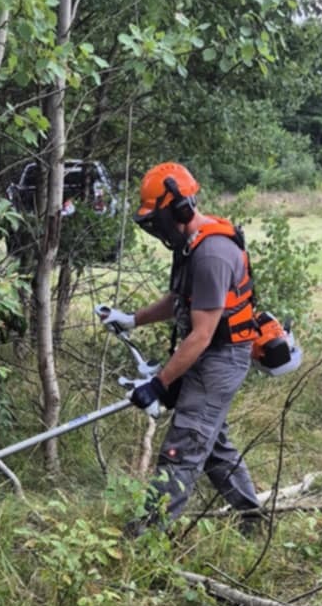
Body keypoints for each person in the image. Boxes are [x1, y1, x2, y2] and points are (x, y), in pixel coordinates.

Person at [98, 162, 266, 533]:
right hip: (208, 352)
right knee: (212, 444)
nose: (156, 228)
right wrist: (132, 319)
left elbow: (202, 334)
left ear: (180, 209)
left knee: (183, 447)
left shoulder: (212, 254)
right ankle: (253, 521)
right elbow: (179, 299)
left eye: (157, 219)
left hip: (220, 357)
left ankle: (147, 535)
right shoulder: (191, 245)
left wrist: (159, 385)